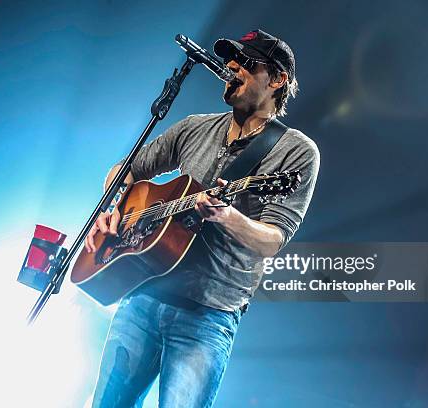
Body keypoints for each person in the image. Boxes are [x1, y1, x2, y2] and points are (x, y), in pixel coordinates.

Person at [86, 29, 320, 408]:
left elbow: (273, 239)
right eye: (231, 60)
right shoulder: (195, 127)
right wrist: (116, 211)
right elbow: (123, 172)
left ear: (278, 79)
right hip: (143, 295)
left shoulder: (296, 151)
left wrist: (227, 216)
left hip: (206, 317)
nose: (232, 66)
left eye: (246, 62)